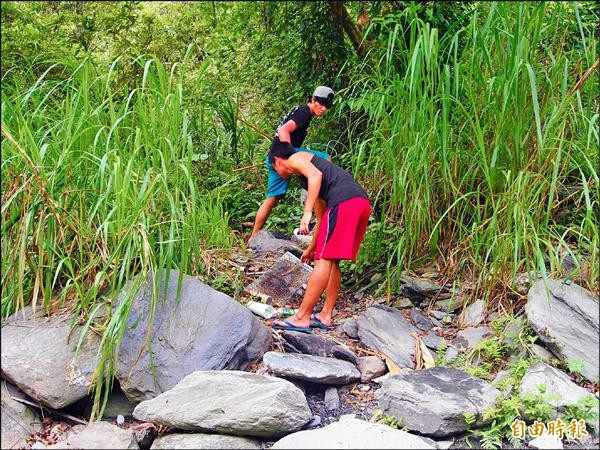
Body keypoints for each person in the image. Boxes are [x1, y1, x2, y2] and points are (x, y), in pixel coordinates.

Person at [268, 144, 371, 332]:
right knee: (331, 260)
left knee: (323, 260)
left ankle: (301, 316)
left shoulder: (295, 158)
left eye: (274, 169)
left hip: (344, 202)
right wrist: (311, 248)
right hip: (360, 202)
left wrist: (305, 213)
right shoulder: (309, 180)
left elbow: (316, 176)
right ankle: (325, 314)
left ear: (277, 160)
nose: (277, 173)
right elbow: (323, 219)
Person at [248, 86, 335, 243]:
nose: (323, 109)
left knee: (273, 197)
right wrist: (290, 153)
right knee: (325, 160)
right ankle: (326, 203)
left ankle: (253, 236)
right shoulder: (303, 112)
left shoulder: (301, 111)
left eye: (326, 106)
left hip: (274, 157)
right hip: (283, 155)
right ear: (313, 100)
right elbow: (283, 130)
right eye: (320, 104)